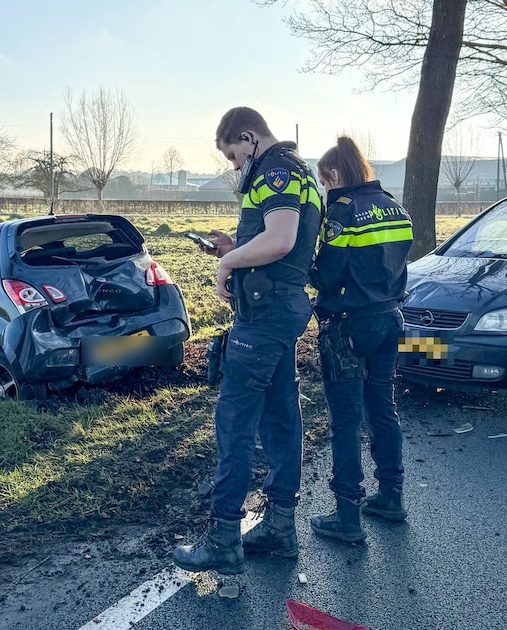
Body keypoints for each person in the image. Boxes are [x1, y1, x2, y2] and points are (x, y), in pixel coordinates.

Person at [172, 107, 322, 574]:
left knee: (234, 421)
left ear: (247, 136)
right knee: (281, 416)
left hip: (264, 315)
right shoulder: (302, 173)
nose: (235, 167)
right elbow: (284, 246)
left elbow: (279, 241)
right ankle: (279, 526)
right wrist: (233, 247)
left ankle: (222, 538)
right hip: (281, 307)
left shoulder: (273, 172)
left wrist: (226, 263)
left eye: (234, 156)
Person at [307, 136, 413, 543]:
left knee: (346, 421)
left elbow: (327, 275)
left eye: (323, 180)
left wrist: (304, 268)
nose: (324, 187)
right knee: (383, 411)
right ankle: (391, 497)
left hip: (348, 328)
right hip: (390, 321)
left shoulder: (342, 211)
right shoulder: (394, 205)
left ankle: (347, 515)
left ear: (334, 174)